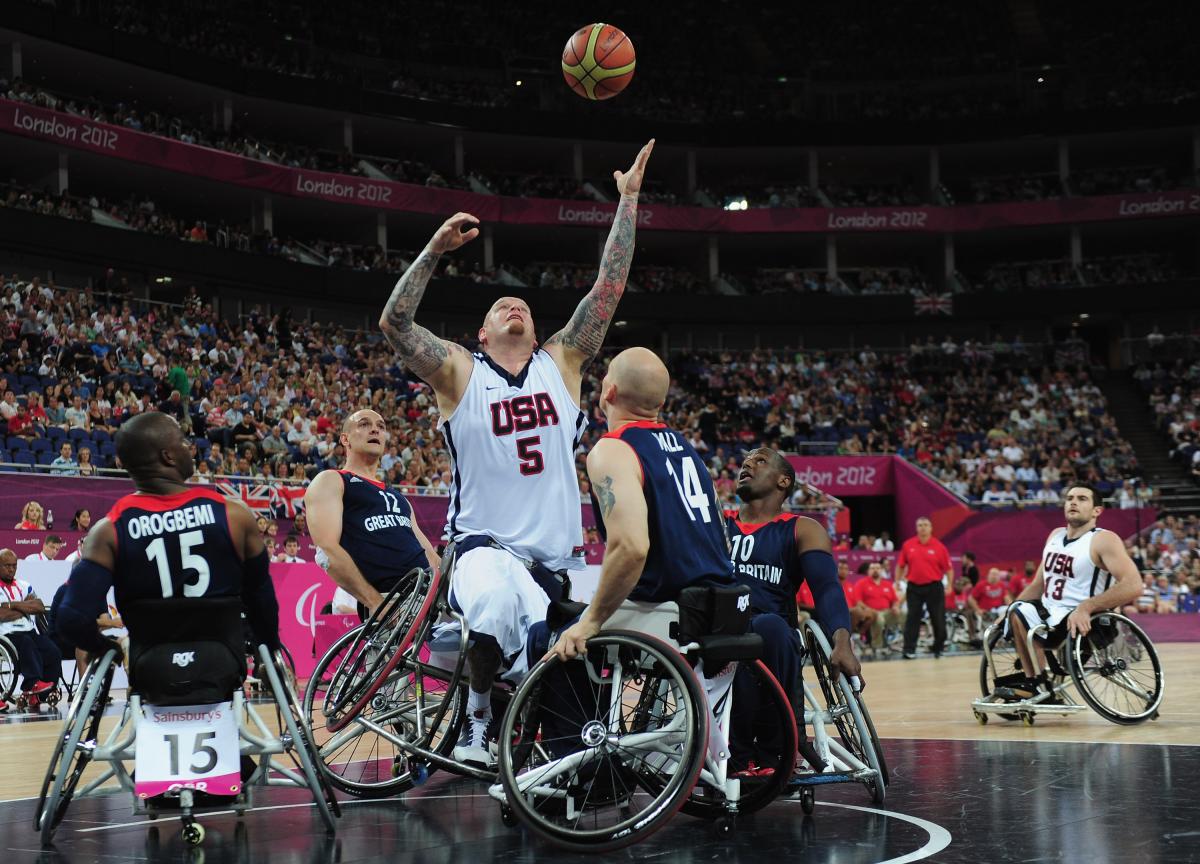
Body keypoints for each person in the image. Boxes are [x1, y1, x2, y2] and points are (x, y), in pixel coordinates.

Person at [378, 140, 655, 766]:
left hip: (551, 558)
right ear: (481, 333)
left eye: (523, 305)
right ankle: (475, 725)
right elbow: (394, 325)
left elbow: (608, 291)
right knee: (497, 600)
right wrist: (432, 252)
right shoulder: (457, 371)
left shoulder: (563, 361)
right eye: (501, 306)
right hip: (480, 542)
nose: (515, 305)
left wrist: (628, 203)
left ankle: (551, 758)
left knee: (569, 668)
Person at [53, 412, 282, 690]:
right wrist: (268, 652)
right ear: (168, 456)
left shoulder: (108, 531)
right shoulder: (234, 515)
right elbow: (263, 603)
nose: (190, 447)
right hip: (224, 665)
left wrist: (106, 648)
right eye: (183, 442)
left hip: (149, 668)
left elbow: (71, 618)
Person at [723, 446, 858, 774]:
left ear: (784, 481)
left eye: (760, 461)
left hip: (770, 629)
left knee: (767, 629)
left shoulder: (802, 528)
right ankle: (734, 756)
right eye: (745, 461)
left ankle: (773, 754)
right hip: (718, 624)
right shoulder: (716, 522)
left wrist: (842, 641)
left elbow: (826, 588)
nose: (748, 464)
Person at [997, 484, 1143, 701]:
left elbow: (1134, 584)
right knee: (1016, 610)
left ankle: (1038, 684)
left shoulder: (1103, 539)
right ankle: (1035, 682)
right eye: (1070, 498)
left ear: (1097, 511)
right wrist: (1007, 611)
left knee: (1020, 613)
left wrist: (1087, 607)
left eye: (1082, 498)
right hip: (1051, 614)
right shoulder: (1055, 536)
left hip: (1085, 620)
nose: (1073, 502)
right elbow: (1038, 584)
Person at [304, 409, 440, 617]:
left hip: (427, 598)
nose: (375, 429)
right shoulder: (332, 480)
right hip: (389, 601)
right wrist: (376, 603)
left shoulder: (399, 498)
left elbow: (429, 554)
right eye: (364, 424)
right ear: (345, 439)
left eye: (381, 426)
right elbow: (327, 551)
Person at [0, 548, 61, 712]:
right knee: (26, 643)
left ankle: (43, 693)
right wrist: (25, 607)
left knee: (52, 650)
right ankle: (31, 684)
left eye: (14, 565)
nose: (11, 569)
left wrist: (13, 605)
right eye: (6, 566)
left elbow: (39, 606)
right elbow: (2, 615)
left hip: (29, 631)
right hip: (6, 635)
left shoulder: (24, 585)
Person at [896, 516, 952, 659]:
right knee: (912, 618)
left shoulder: (939, 546)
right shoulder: (908, 545)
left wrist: (950, 585)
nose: (923, 527)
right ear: (916, 528)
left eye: (926, 525)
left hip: (934, 587)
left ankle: (938, 648)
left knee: (938, 618)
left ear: (931, 528)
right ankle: (909, 649)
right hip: (914, 587)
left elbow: (949, 569)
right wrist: (897, 581)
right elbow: (901, 565)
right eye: (920, 525)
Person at [857, 561, 905, 653]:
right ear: (868, 571)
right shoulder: (861, 583)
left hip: (887, 612)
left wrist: (895, 606)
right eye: (872, 568)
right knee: (879, 619)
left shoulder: (887, 584)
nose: (875, 570)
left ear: (882, 570)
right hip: (872, 612)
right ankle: (877, 646)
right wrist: (868, 609)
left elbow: (895, 600)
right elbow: (858, 602)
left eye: (878, 568)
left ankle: (906, 643)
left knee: (904, 615)